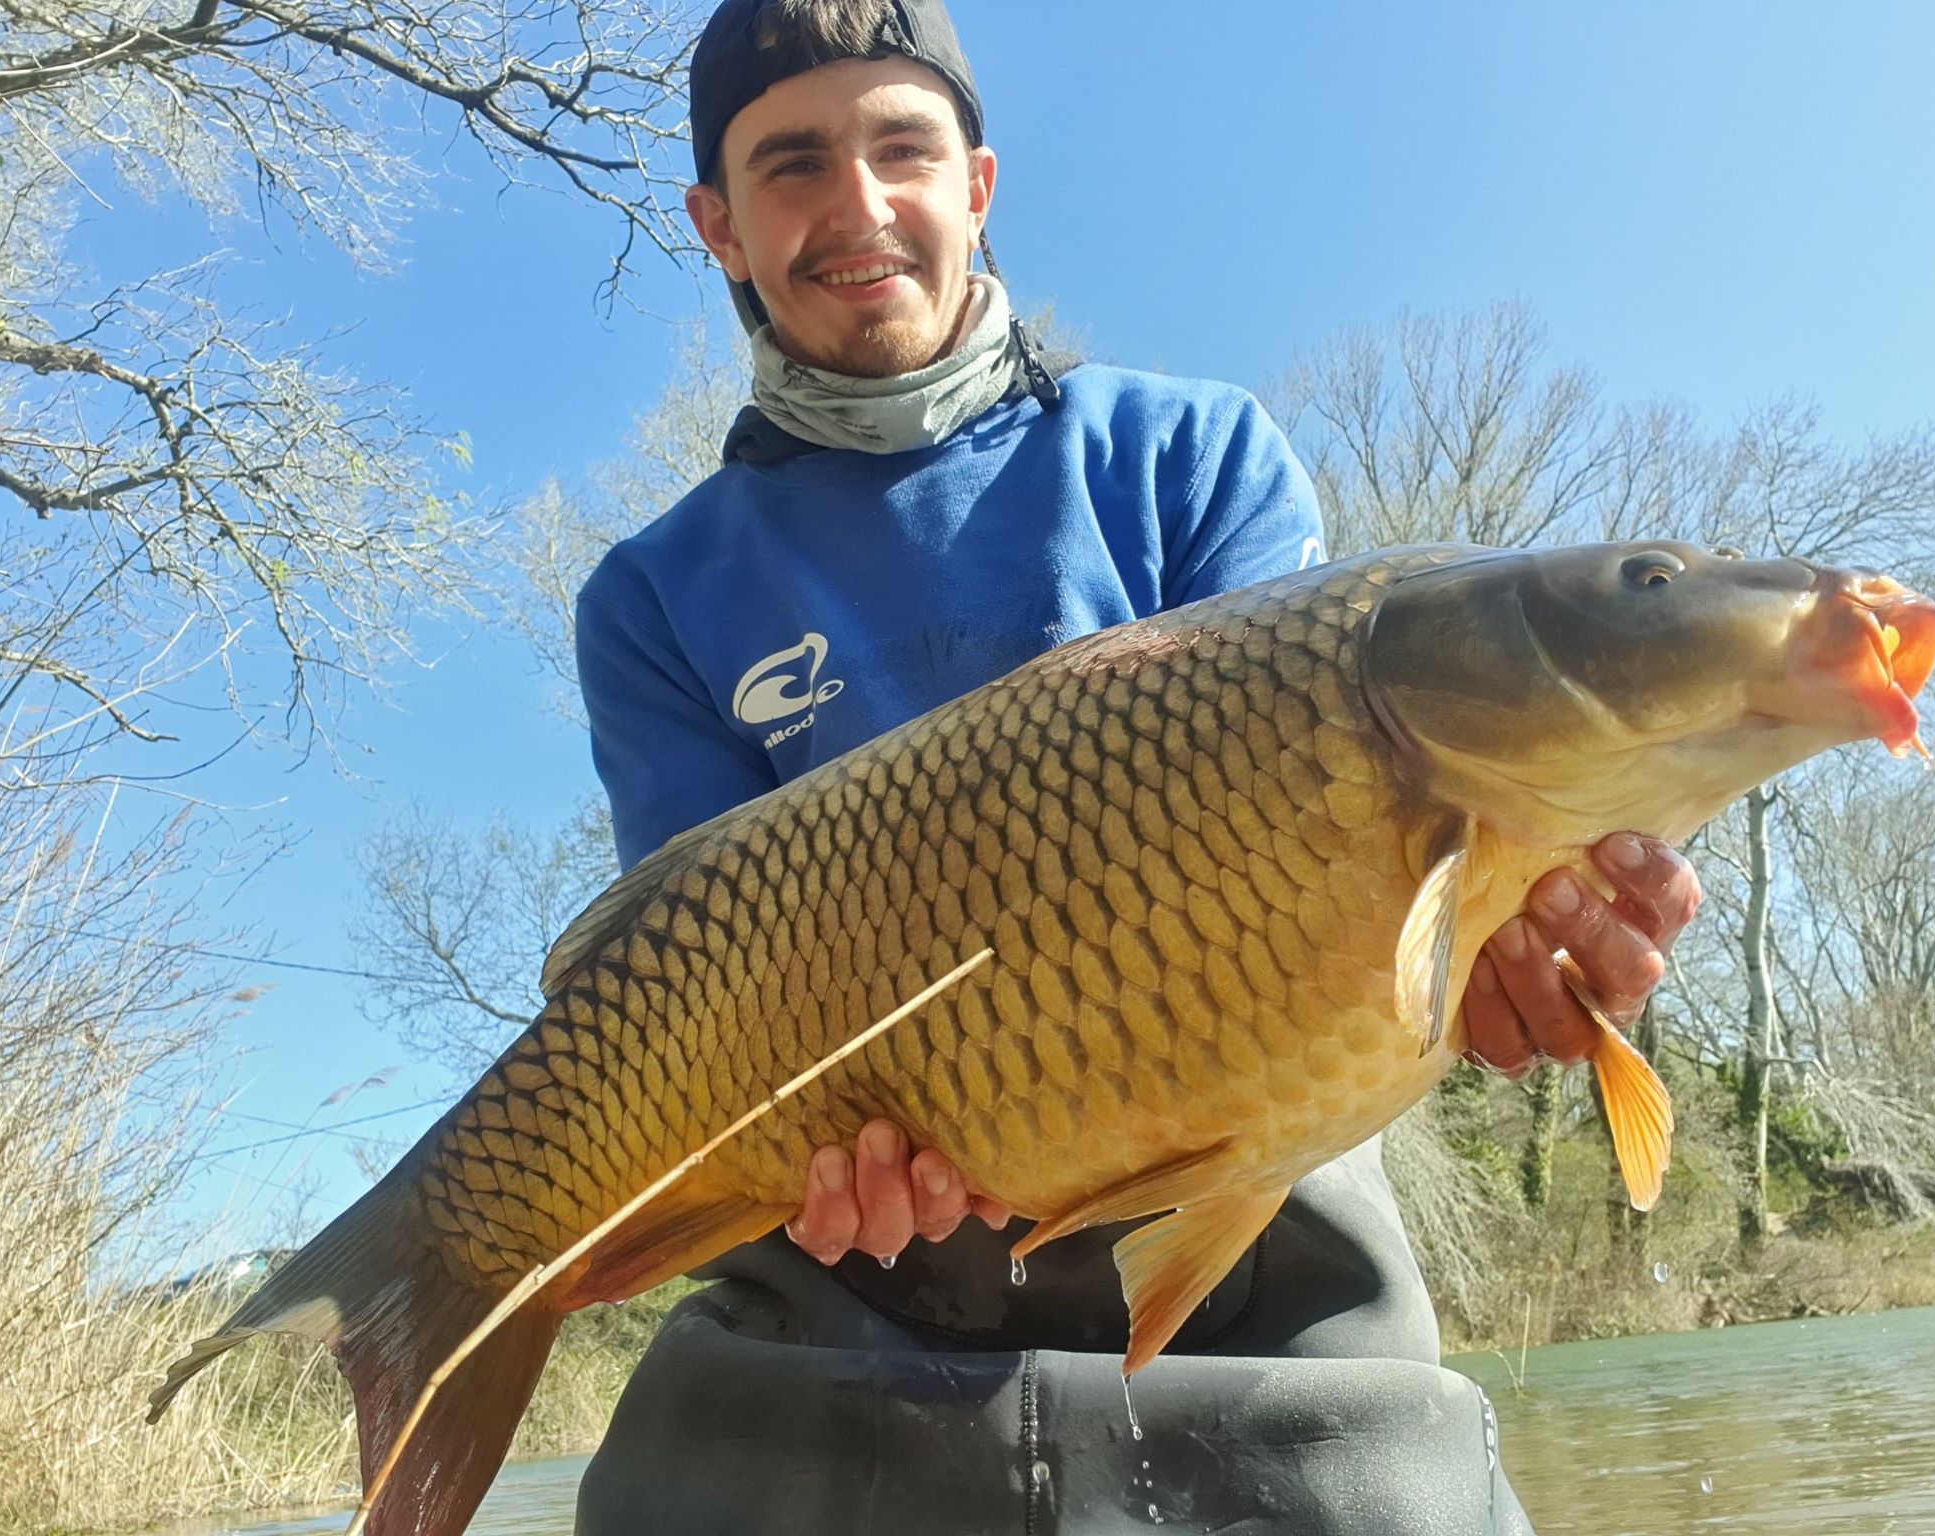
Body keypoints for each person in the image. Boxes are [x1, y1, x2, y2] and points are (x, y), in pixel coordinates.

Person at [571, 3, 1701, 1531]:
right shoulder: (648, 595)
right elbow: (700, 988)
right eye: (791, 166)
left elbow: (1369, 874)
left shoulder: (1192, 456)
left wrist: (1509, 946)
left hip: (1256, 1213)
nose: (857, 206)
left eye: (902, 149)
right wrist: (821, 1161)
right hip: (865, 1273)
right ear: (718, 225)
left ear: (974, 185)